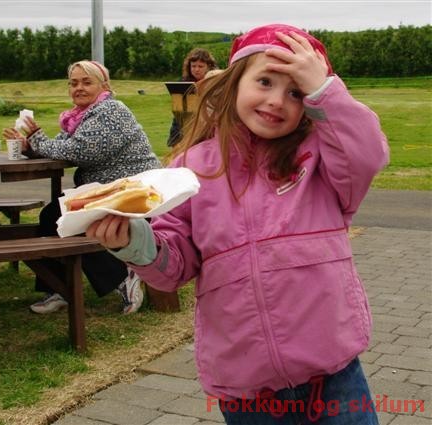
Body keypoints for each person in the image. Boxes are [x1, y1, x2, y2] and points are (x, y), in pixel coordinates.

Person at [87, 24, 389, 424]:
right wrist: (134, 242)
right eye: (264, 82)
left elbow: (367, 151)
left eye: (296, 92)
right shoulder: (192, 168)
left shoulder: (320, 158)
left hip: (334, 377)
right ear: (234, 83)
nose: (277, 101)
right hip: (247, 390)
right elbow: (173, 267)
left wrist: (325, 91)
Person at [3, 60, 162, 315]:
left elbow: (82, 151)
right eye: (73, 83)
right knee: (52, 217)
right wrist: (29, 146)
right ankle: (58, 288)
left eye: (87, 82)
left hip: (132, 191)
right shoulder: (79, 116)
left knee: (69, 219)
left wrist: (37, 140)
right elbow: (60, 148)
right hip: (107, 190)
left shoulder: (111, 111)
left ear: (104, 86)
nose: (79, 88)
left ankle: (122, 277)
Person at [166, 47, 217, 147]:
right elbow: (178, 112)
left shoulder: (215, 82)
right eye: (193, 66)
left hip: (208, 129)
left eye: (200, 66)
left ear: (209, 67)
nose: (196, 69)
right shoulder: (182, 83)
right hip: (183, 129)